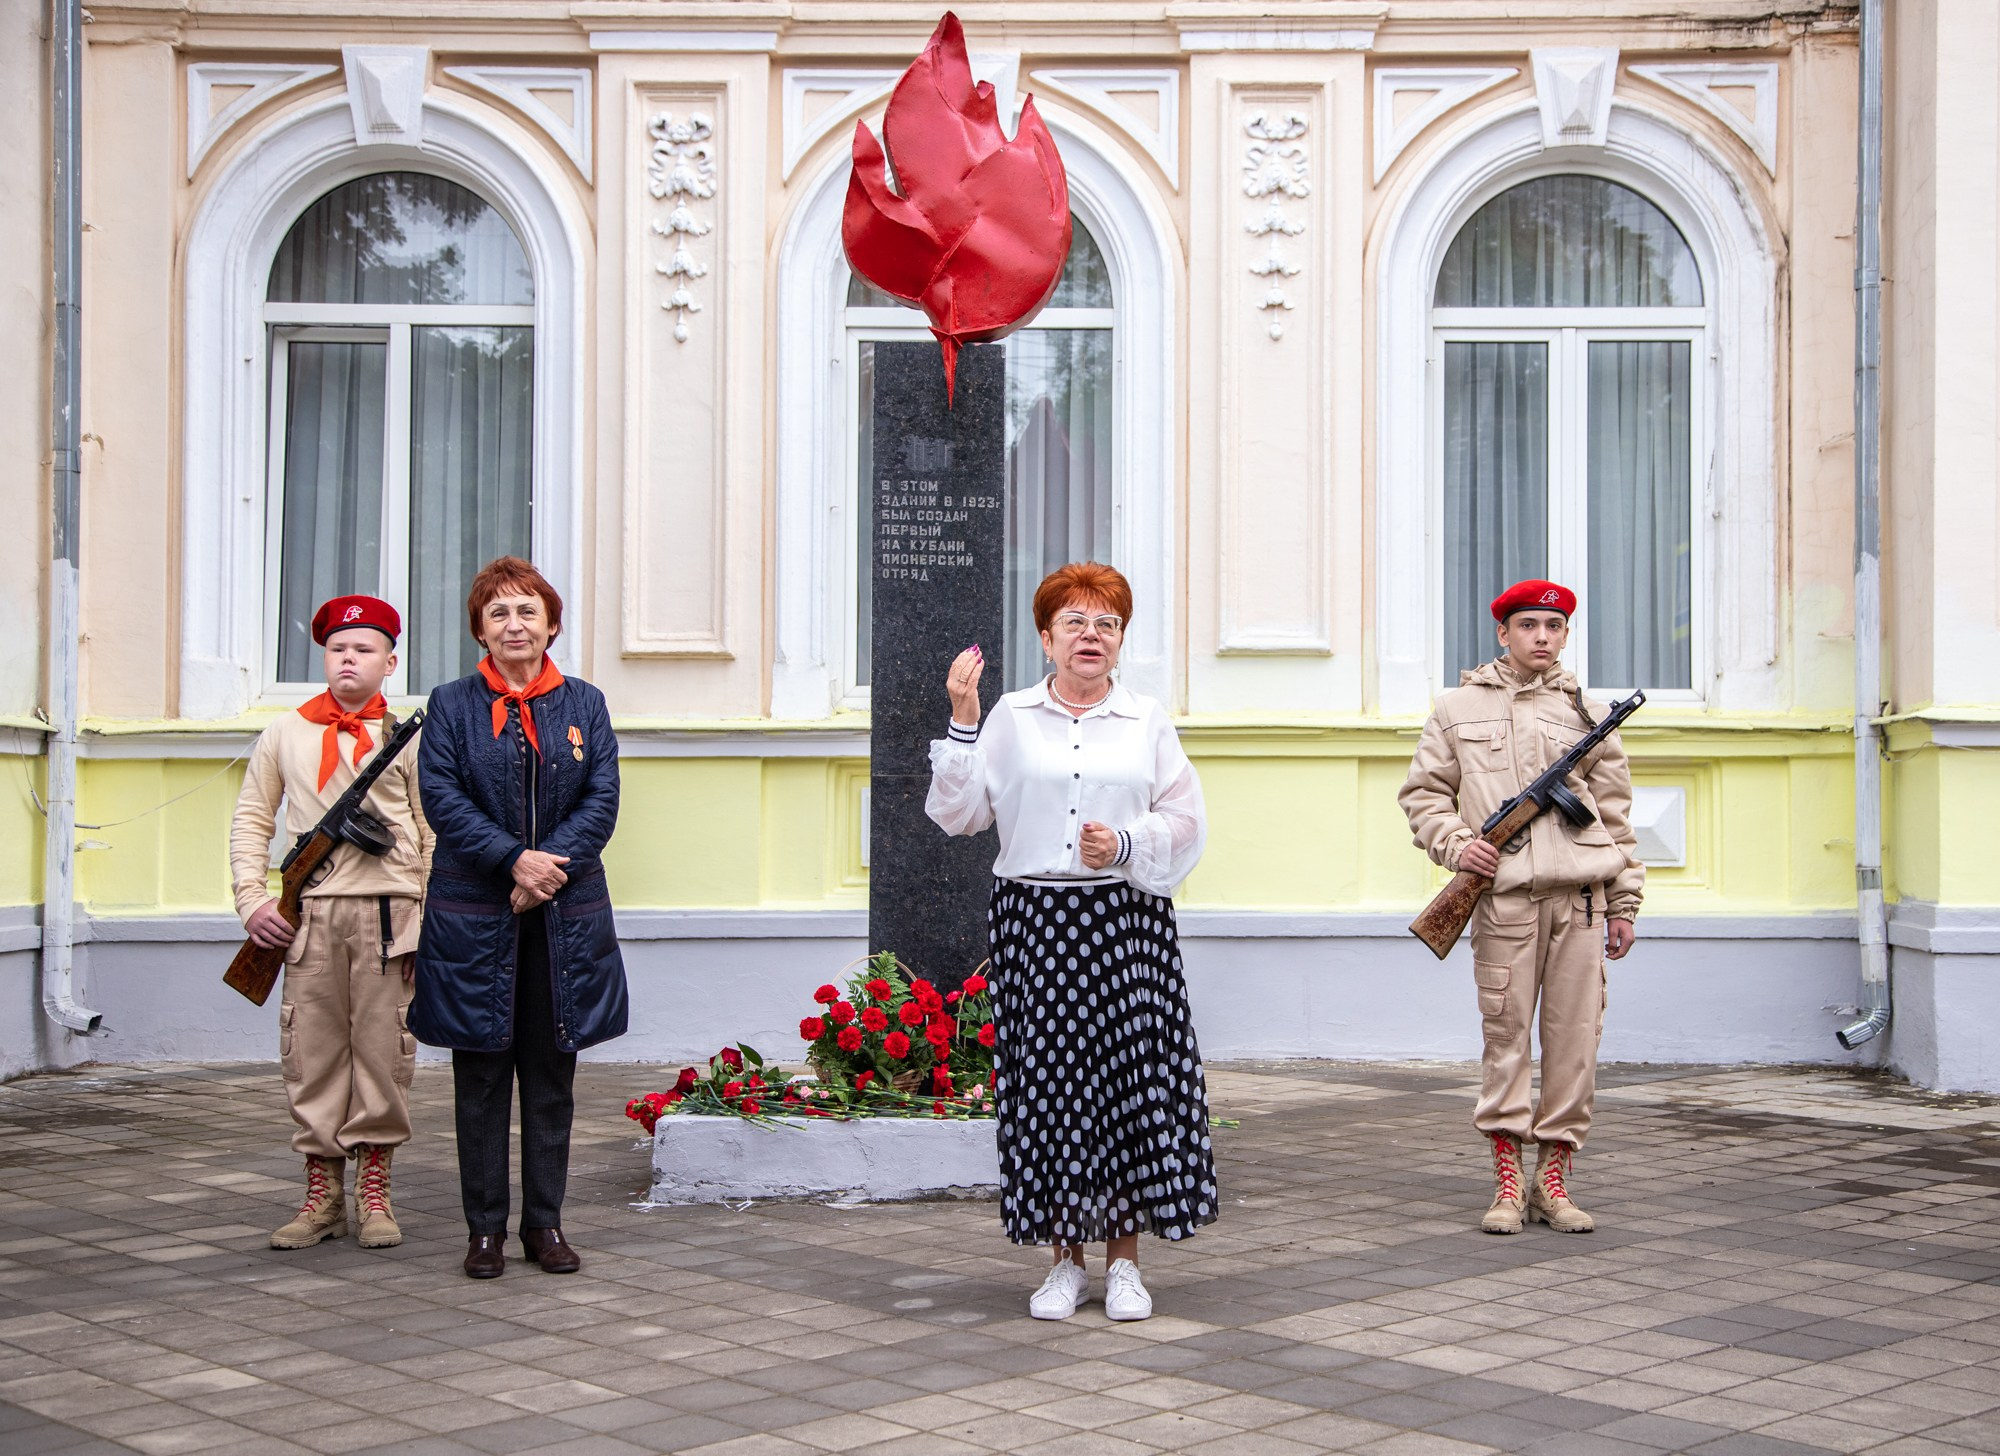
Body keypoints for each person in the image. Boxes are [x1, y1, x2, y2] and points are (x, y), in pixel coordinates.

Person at [927, 562, 1216, 1322]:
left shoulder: (1145, 720)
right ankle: (1064, 1263)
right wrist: (962, 719)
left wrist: (1123, 842)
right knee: (1050, 1089)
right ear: (1046, 637)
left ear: (1122, 641)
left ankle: (1125, 1263)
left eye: (1107, 624)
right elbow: (960, 816)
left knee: (1126, 1087)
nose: (1092, 637)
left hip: (1124, 923)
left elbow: (1188, 820)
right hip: (1036, 922)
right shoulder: (1012, 717)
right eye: (1076, 624)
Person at [1398, 580, 1644, 1236]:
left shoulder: (1587, 714)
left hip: (1583, 904)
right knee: (1506, 1039)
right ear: (1503, 632)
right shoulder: (1455, 708)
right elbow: (1424, 794)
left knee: (1575, 1043)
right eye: (1530, 624)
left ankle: (1553, 1181)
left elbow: (1616, 816)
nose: (1543, 636)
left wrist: (1625, 903)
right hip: (1504, 903)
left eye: (1555, 626)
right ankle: (1508, 1181)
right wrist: (1458, 848)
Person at [409, 557, 627, 1279]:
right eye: (498, 613)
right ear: (480, 627)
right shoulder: (450, 704)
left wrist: (547, 867)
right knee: (477, 1081)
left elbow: (601, 799)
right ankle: (483, 1231)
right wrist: (513, 860)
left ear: (551, 624)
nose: (514, 625)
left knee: (549, 1076)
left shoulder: (586, 704)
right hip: (477, 914)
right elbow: (441, 797)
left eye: (527, 611)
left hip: (562, 918)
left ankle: (545, 1224)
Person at [229, 595, 430, 1251]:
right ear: (324, 657)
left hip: (387, 915)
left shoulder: (410, 738)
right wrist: (254, 901)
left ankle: (374, 1194)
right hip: (308, 917)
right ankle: (321, 1197)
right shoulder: (284, 733)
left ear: (389, 662)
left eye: (364, 648)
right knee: (311, 1055)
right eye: (339, 648)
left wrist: (425, 923)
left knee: (383, 1051)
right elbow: (252, 821)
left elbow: (432, 836)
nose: (350, 657)